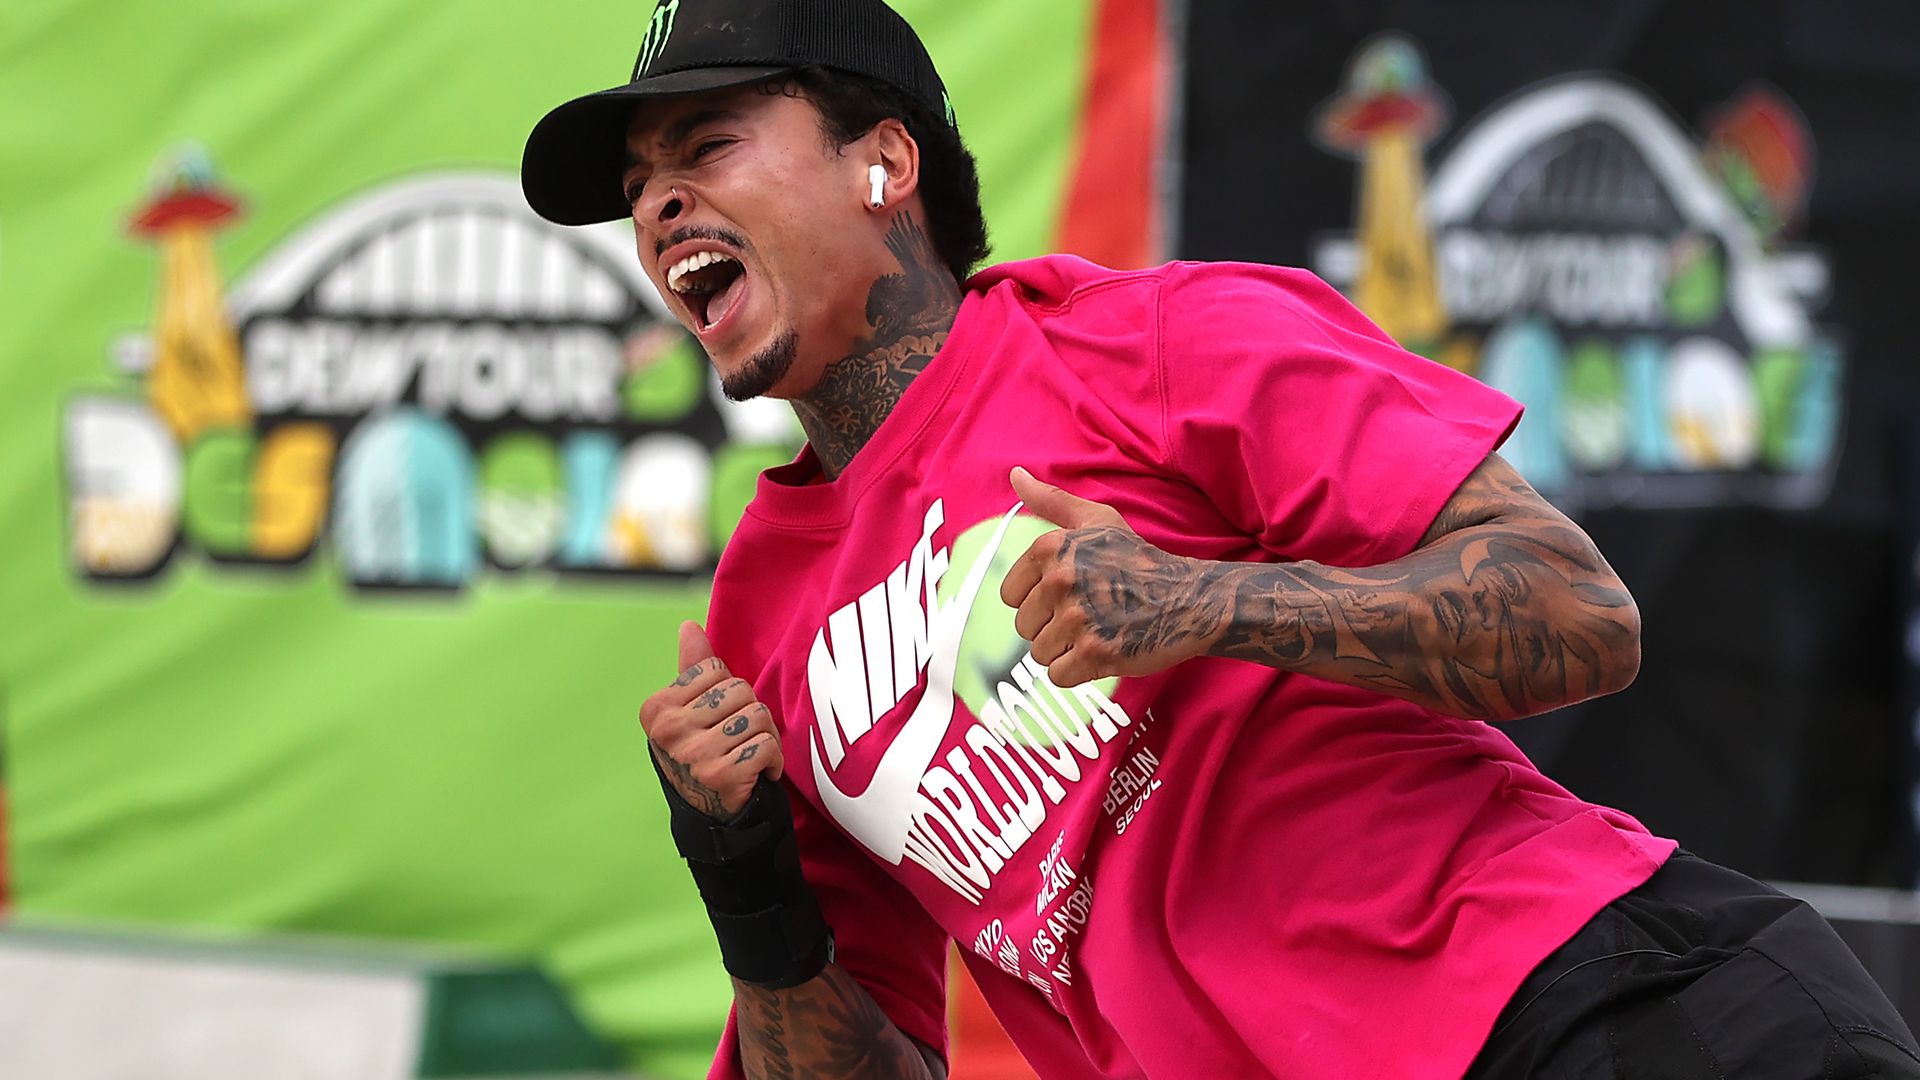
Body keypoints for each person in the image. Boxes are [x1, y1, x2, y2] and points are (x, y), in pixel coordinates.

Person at [521, 2, 1920, 1077]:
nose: (657, 206)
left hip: (1583, 1011)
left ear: (886, 161)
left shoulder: (1151, 340)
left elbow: (1577, 612)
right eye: (641, 183)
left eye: (706, 148)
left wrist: (1203, 602)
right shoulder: (761, 622)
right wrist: (746, 878)